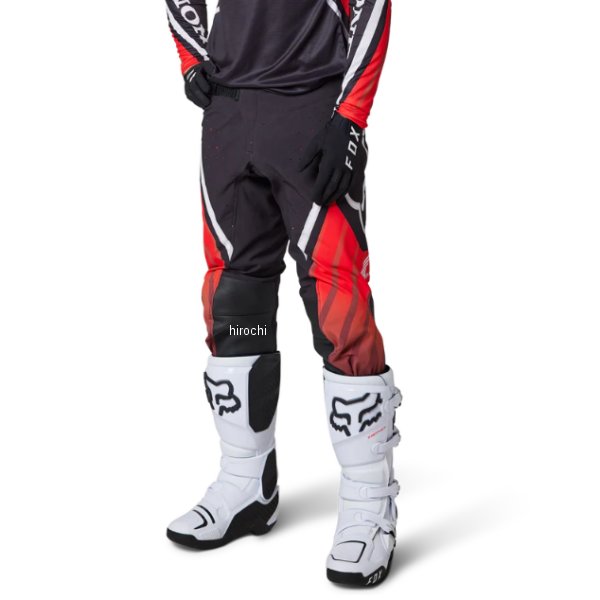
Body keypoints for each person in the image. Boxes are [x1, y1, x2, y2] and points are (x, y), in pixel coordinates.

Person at [164, 0, 402, 587]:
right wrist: (192, 56)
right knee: (233, 299)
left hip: (311, 109)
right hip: (227, 110)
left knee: (337, 301)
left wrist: (350, 116)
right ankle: (246, 481)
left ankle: (369, 502)